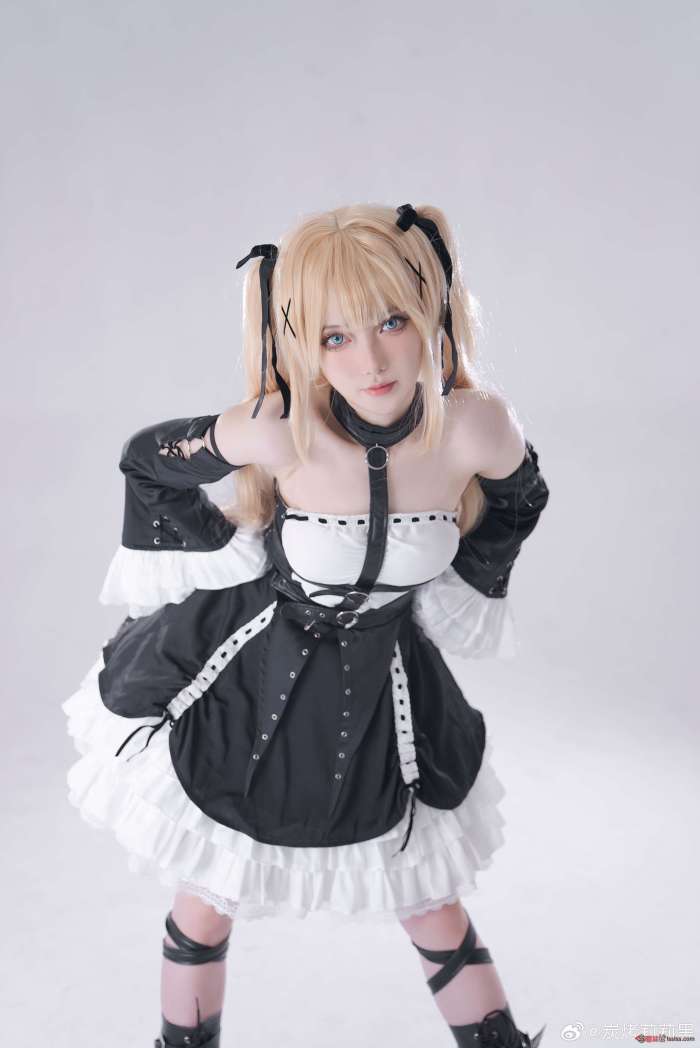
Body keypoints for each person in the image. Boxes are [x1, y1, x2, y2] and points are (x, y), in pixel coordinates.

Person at [62, 202, 550, 1048]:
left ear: (431, 308)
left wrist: (471, 578)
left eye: (391, 321)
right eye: (333, 337)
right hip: (251, 674)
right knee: (210, 888)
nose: (370, 360)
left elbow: (522, 498)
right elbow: (148, 464)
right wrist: (224, 497)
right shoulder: (285, 432)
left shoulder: (476, 426)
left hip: (385, 688)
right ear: (301, 343)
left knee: (429, 900)